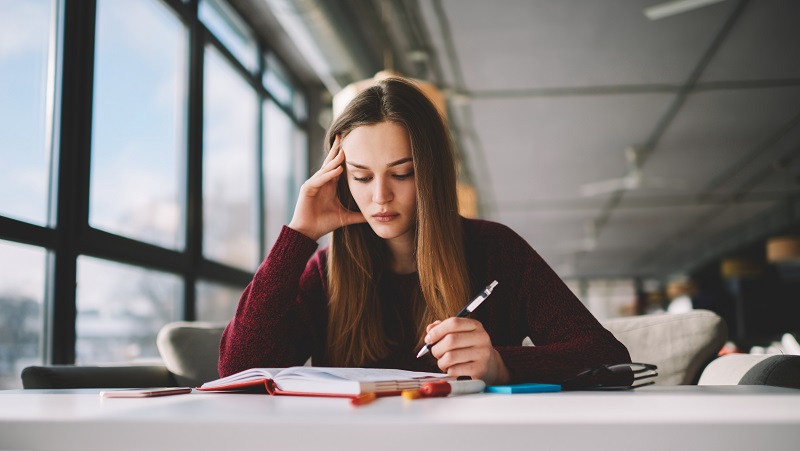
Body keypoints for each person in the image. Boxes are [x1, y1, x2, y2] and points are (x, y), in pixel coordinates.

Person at [219, 78, 630, 385]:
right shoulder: (326, 271)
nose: (380, 196)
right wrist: (299, 234)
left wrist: (502, 366)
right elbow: (237, 372)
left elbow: (612, 361)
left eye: (402, 173)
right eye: (361, 177)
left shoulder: (496, 251)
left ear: (430, 174)